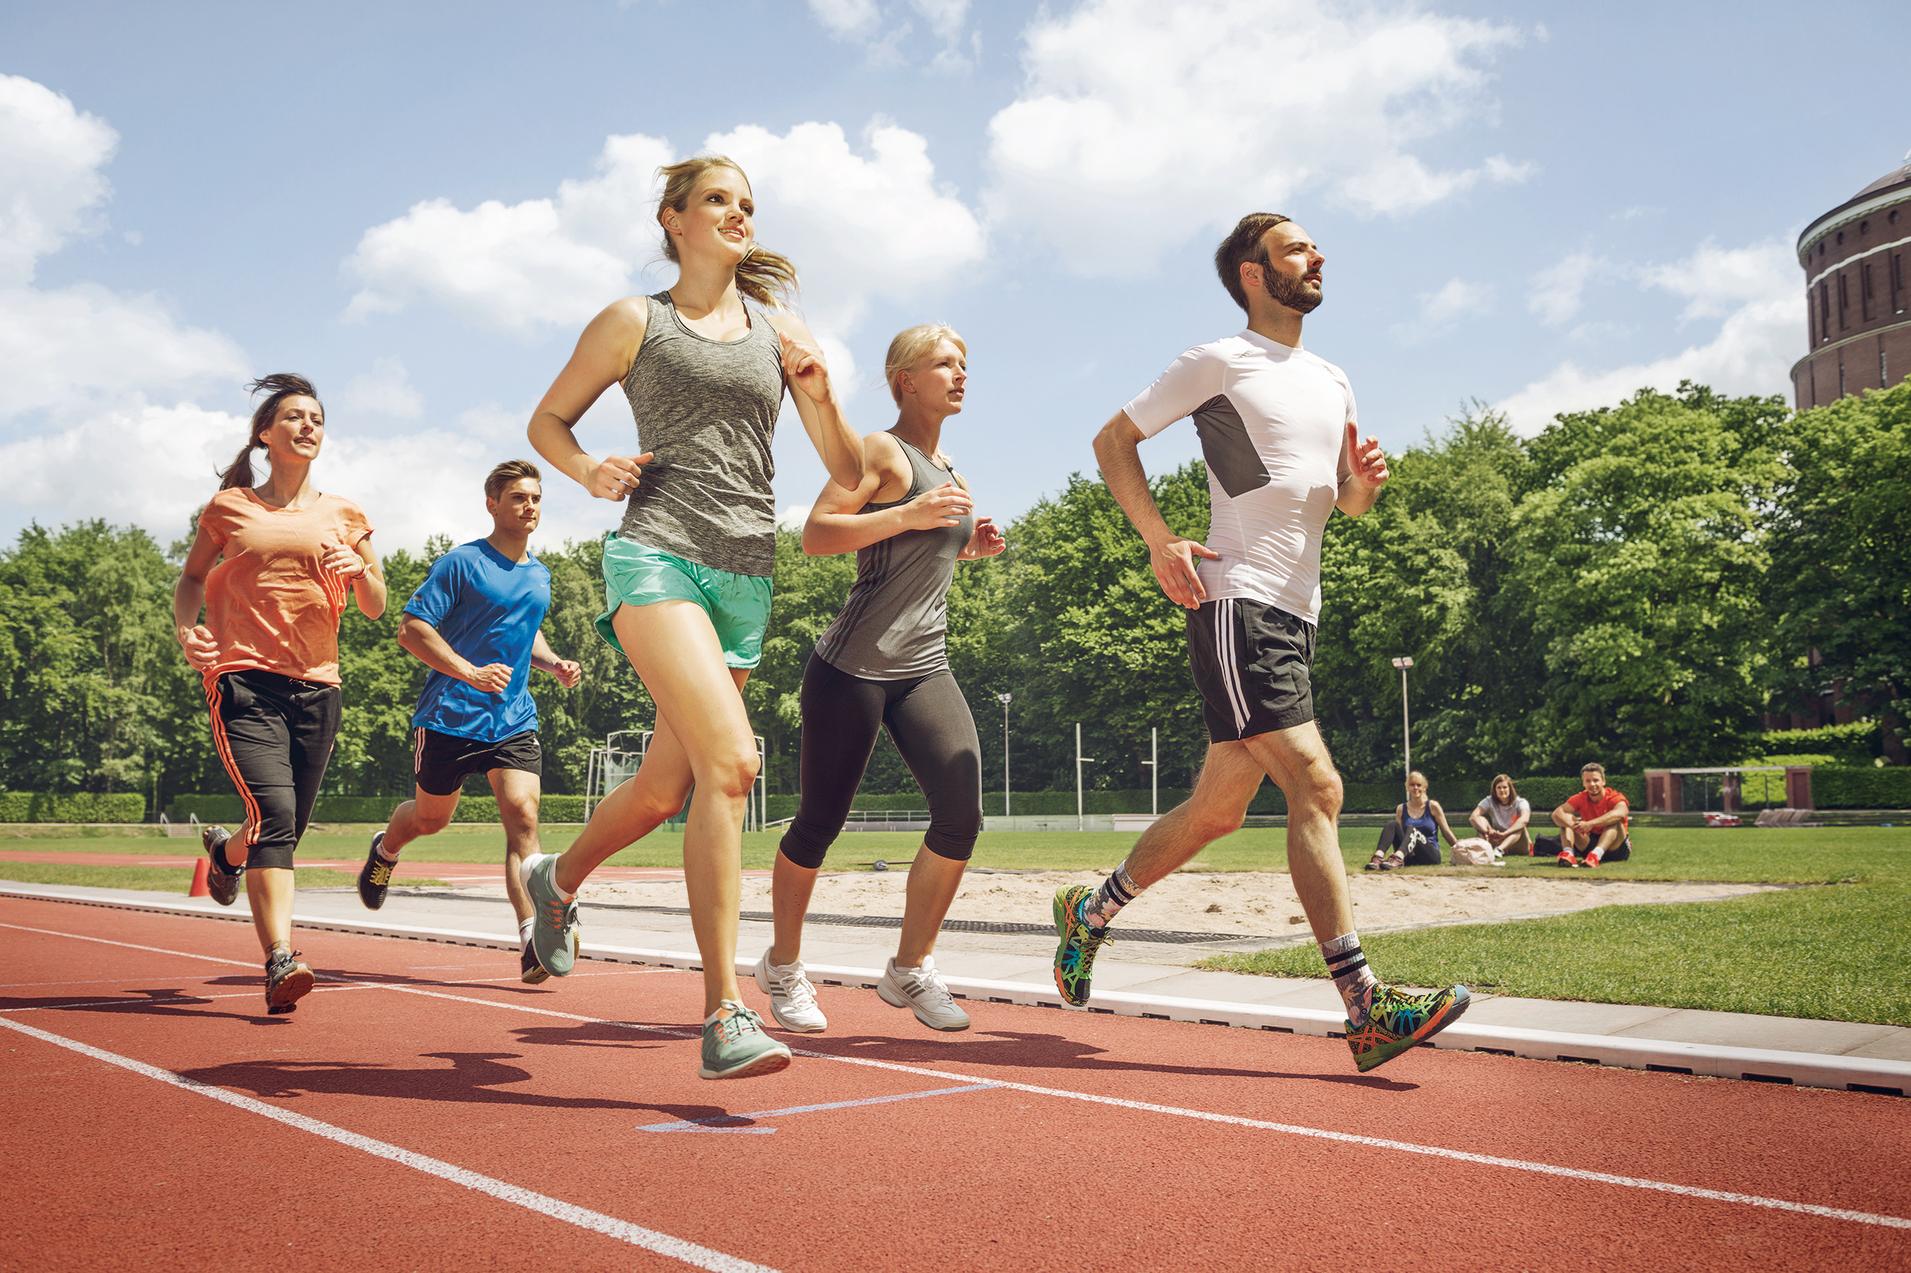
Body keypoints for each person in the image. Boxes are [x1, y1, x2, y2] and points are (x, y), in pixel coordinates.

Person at [1051, 212, 1469, 1073]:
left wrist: (1367, 488)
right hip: (1235, 599)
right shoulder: (1220, 361)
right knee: (1317, 785)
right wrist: (1159, 538)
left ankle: (1088, 913)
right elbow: (1111, 440)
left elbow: (1344, 503)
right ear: (1252, 273)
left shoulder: (1333, 379)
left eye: (1314, 249)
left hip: (1294, 613)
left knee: (1217, 810)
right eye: (1295, 249)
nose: (1316, 258)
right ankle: (1364, 1006)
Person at [520, 155, 863, 1080]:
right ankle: (722, 1012)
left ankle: (554, 880)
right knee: (735, 761)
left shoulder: (781, 331)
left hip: (745, 573)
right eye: (717, 199)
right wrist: (588, 468)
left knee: (665, 791)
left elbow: (846, 467)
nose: (737, 213)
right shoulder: (637, 321)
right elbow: (546, 422)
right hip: (656, 553)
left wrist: (822, 395)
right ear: (673, 219)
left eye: (747, 203)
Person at [755, 324, 1006, 1035]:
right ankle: (782, 966)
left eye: (965, 362)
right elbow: (816, 532)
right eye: (944, 364)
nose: (960, 374)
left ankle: (908, 967)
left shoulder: (949, 465)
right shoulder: (876, 450)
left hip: (924, 665)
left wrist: (972, 551)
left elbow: (914, 558)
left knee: (960, 816)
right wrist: (910, 511)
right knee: (818, 824)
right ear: (904, 379)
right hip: (851, 668)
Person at [173, 374, 386, 1013]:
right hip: (243, 680)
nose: (307, 426)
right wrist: (189, 630)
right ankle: (280, 958)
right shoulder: (230, 508)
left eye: (316, 418)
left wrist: (361, 571)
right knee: (277, 814)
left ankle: (225, 852)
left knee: (278, 829)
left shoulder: (346, 514)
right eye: (293, 416)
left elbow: (377, 606)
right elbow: (190, 579)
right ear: (266, 434)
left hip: (318, 685)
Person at [354, 460, 582, 984]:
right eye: (519, 498)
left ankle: (533, 938)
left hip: (513, 719)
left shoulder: (539, 574)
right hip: (449, 718)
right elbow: (411, 630)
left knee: (522, 816)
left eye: (536, 498)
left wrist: (551, 663)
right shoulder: (461, 563)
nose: (530, 507)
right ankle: (385, 849)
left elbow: (526, 633)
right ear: (492, 504)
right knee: (432, 820)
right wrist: (469, 672)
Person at [1364, 771, 1461, 870]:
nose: (1415, 788)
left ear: (1424, 787)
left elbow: (1446, 832)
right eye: (1412, 785)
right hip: (1409, 856)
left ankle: (1398, 859)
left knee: (1412, 830)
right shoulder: (1401, 809)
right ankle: (1377, 858)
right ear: (1407, 787)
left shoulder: (1433, 806)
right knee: (1392, 825)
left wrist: (1461, 849)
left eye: (1419, 785)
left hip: (1430, 855)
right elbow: (1400, 835)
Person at [1551, 762, 1631, 867]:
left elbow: (1621, 813)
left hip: (1616, 848)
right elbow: (1557, 813)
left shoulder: (1614, 796)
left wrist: (1590, 824)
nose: (1592, 784)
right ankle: (1568, 854)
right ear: (1583, 783)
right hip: (1590, 844)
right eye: (1588, 781)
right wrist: (1573, 825)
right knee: (1565, 819)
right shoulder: (1581, 797)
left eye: (1596, 780)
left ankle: (1596, 855)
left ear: (1603, 781)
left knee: (1614, 820)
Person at [1470, 773, 1533, 857]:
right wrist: (1488, 830)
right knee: (1481, 819)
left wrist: (1505, 834)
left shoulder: (1521, 802)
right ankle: (1486, 850)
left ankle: (1499, 850)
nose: (1502, 790)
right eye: (1499, 788)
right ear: (1495, 790)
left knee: (1520, 827)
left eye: (1505, 787)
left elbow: (1524, 820)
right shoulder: (1489, 800)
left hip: (1518, 842)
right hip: (1497, 838)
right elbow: (1473, 817)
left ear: (1510, 789)